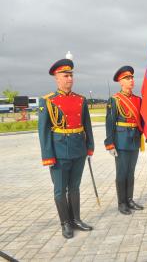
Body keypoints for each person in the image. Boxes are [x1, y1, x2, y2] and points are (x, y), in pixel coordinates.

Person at [38, 58, 94, 239]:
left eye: (71, 75)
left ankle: (76, 219)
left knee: (75, 187)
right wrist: (47, 155)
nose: (69, 79)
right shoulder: (47, 101)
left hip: (78, 149)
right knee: (60, 189)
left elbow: (87, 124)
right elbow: (43, 131)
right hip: (59, 151)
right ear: (57, 78)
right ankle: (65, 223)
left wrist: (90, 146)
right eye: (65, 75)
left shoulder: (81, 99)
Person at [105, 66, 144, 215]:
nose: (131, 80)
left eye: (132, 78)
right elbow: (109, 123)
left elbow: (142, 120)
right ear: (121, 82)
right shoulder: (114, 100)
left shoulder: (137, 100)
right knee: (122, 173)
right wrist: (110, 143)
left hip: (134, 140)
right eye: (128, 78)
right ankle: (122, 203)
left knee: (131, 172)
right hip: (120, 141)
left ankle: (130, 199)